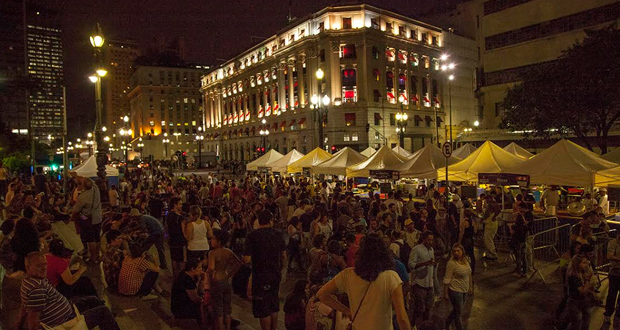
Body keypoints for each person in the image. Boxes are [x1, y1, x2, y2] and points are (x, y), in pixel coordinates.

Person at [317, 234, 411, 330]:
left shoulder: (347, 275)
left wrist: (346, 311)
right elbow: (402, 318)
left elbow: (321, 294)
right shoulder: (391, 277)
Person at [16, 251, 120, 330]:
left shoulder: (27, 281)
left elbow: (24, 307)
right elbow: (33, 319)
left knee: (93, 300)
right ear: (28, 267)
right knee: (103, 312)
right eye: (39, 266)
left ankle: (107, 319)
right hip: (66, 322)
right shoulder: (36, 289)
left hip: (68, 309)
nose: (44, 268)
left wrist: (17, 327)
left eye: (45, 264)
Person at [243, 209, 287, 330]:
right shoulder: (278, 235)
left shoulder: (252, 236)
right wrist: (280, 268)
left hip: (260, 275)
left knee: (263, 307)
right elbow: (284, 256)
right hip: (275, 274)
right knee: (273, 304)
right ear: (271, 221)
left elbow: (246, 259)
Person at [208, 229, 243, 330]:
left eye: (213, 239)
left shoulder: (212, 253)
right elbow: (239, 263)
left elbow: (211, 268)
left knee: (218, 310)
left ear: (219, 241)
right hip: (225, 280)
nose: (211, 241)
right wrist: (229, 275)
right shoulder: (228, 251)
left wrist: (211, 276)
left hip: (216, 281)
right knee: (227, 309)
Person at [409, 231, 436, 327]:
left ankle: (425, 326)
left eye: (432, 240)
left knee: (428, 307)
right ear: (424, 239)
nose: (430, 242)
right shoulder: (417, 249)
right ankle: (411, 325)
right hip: (419, 283)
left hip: (429, 283)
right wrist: (424, 263)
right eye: (429, 240)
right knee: (419, 308)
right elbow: (411, 265)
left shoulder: (431, 250)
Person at [72, 176, 102, 263]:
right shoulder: (96, 190)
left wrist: (72, 217)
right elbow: (91, 182)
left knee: (91, 239)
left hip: (88, 220)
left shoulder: (82, 197)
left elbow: (76, 211)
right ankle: (97, 255)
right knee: (97, 238)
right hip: (98, 218)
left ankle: (93, 258)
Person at [443, 243, 473, 330]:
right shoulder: (451, 263)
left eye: (458, 251)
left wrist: (470, 287)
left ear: (462, 251)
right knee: (458, 314)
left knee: (456, 310)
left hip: (464, 289)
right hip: (455, 291)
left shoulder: (466, 260)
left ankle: (447, 323)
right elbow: (447, 278)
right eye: (454, 251)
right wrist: (445, 293)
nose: (456, 253)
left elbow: (469, 274)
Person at [171, 258, 208, 325]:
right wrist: (205, 300)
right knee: (207, 306)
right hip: (180, 309)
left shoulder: (186, 274)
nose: (201, 270)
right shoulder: (187, 280)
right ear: (192, 269)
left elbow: (199, 292)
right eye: (199, 267)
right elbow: (195, 299)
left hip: (180, 305)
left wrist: (202, 280)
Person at [566, 254, 594, 330]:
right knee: (576, 325)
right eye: (584, 263)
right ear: (577, 264)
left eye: (587, 263)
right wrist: (588, 280)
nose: (586, 265)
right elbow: (583, 291)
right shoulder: (573, 276)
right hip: (575, 303)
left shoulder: (582, 273)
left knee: (586, 322)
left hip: (584, 301)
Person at [167, 197, 187, 277]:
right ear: (175, 205)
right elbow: (184, 232)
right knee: (182, 261)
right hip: (180, 242)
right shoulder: (180, 218)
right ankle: (181, 278)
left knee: (174, 261)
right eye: (180, 204)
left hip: (172, 242)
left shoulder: (168, 215)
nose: (181, 205)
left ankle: (176, 278)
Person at [605, 231, 620, 323]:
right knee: (612, 294)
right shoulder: (613, 243)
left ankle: (618, 315)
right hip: (615, 272)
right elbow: (609, 256)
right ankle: (608, 314)